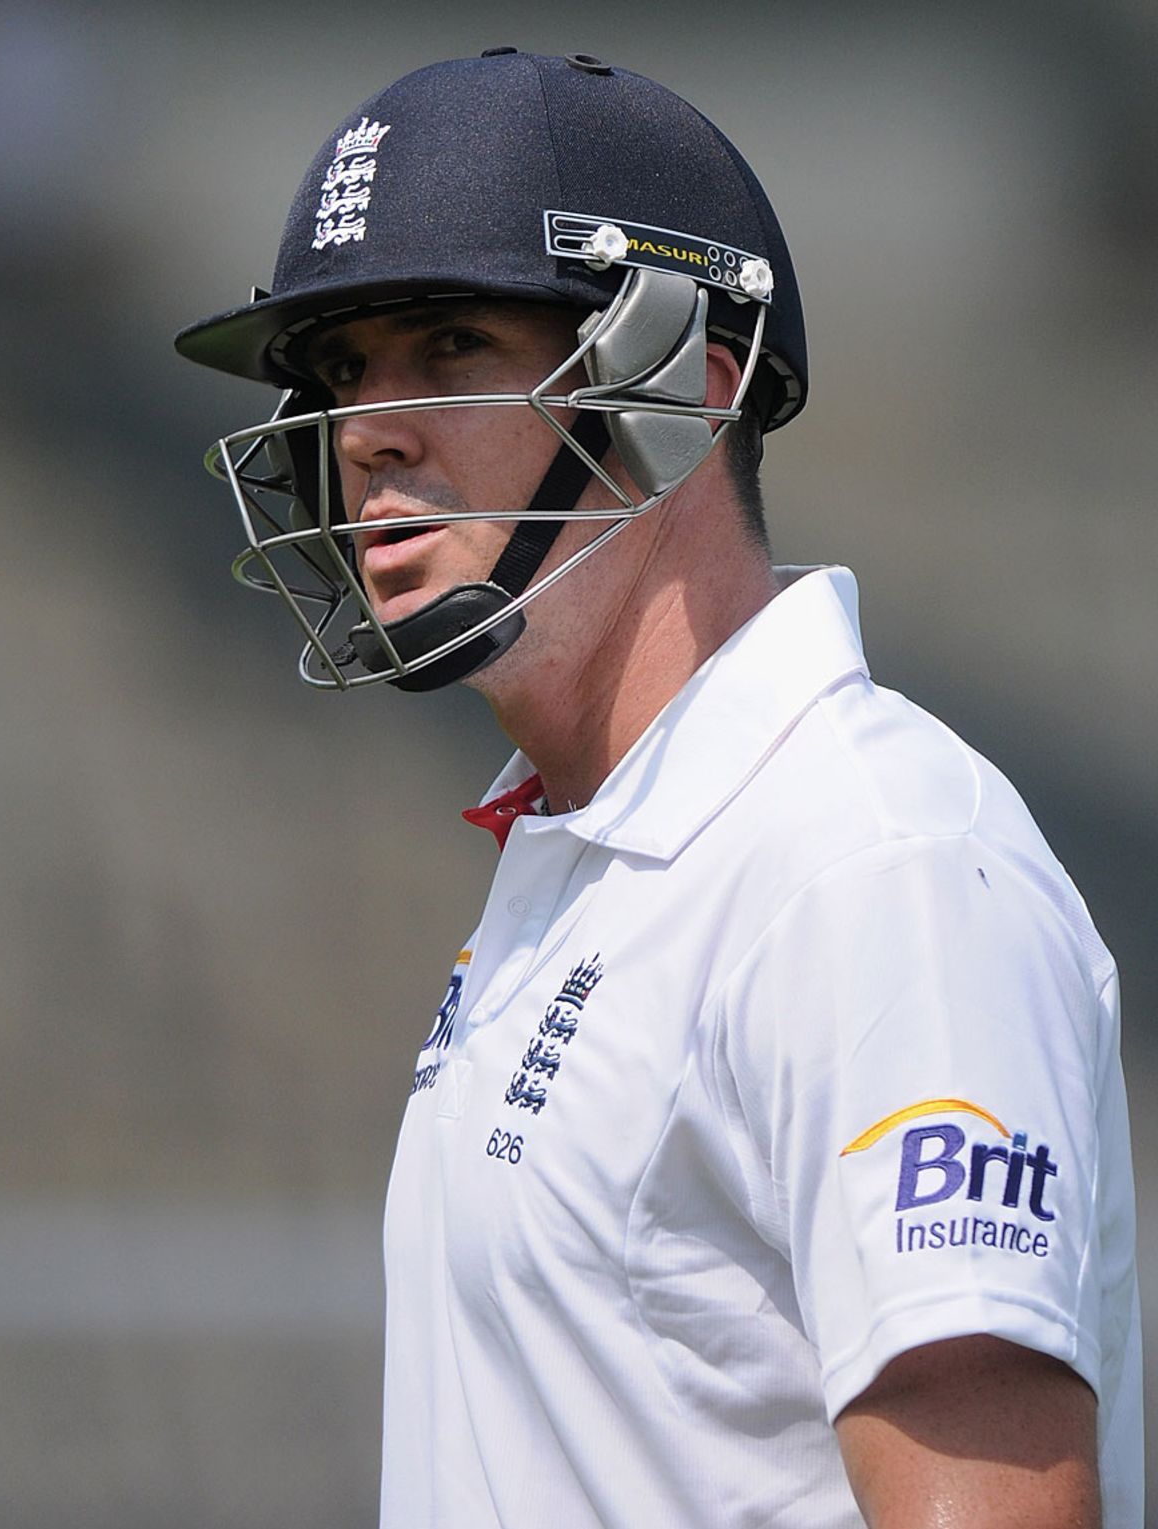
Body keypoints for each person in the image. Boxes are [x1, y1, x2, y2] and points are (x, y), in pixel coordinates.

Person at [175, 50, 1141, 1529]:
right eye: (344, 369)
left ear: (678, 390)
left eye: (446, 342)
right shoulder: (583, 842)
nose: (366, 428)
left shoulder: (873, 867)